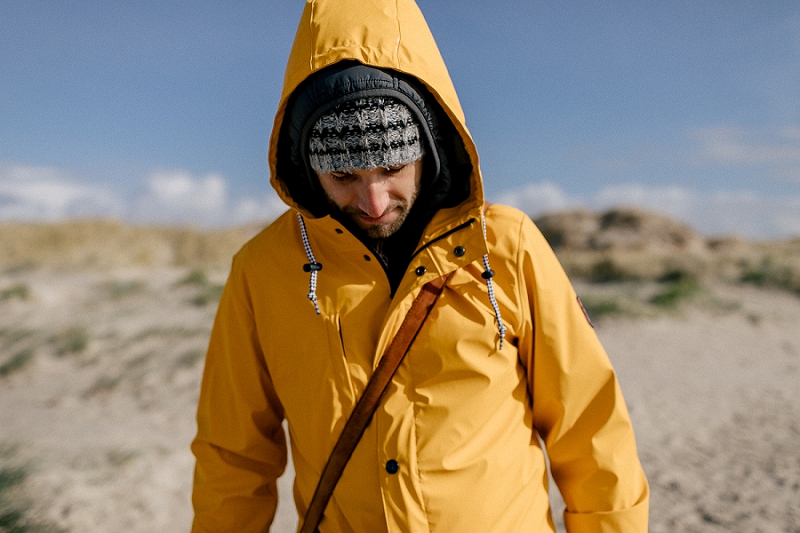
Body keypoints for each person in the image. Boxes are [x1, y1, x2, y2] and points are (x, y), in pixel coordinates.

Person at [190, 0, 650, 531]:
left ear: (429, 146)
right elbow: (232, 458)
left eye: (391, 167)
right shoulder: (262, 271)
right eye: (344, 176)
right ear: (306, 166)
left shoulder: (504, 244)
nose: (374, 201)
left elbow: (590, 428)